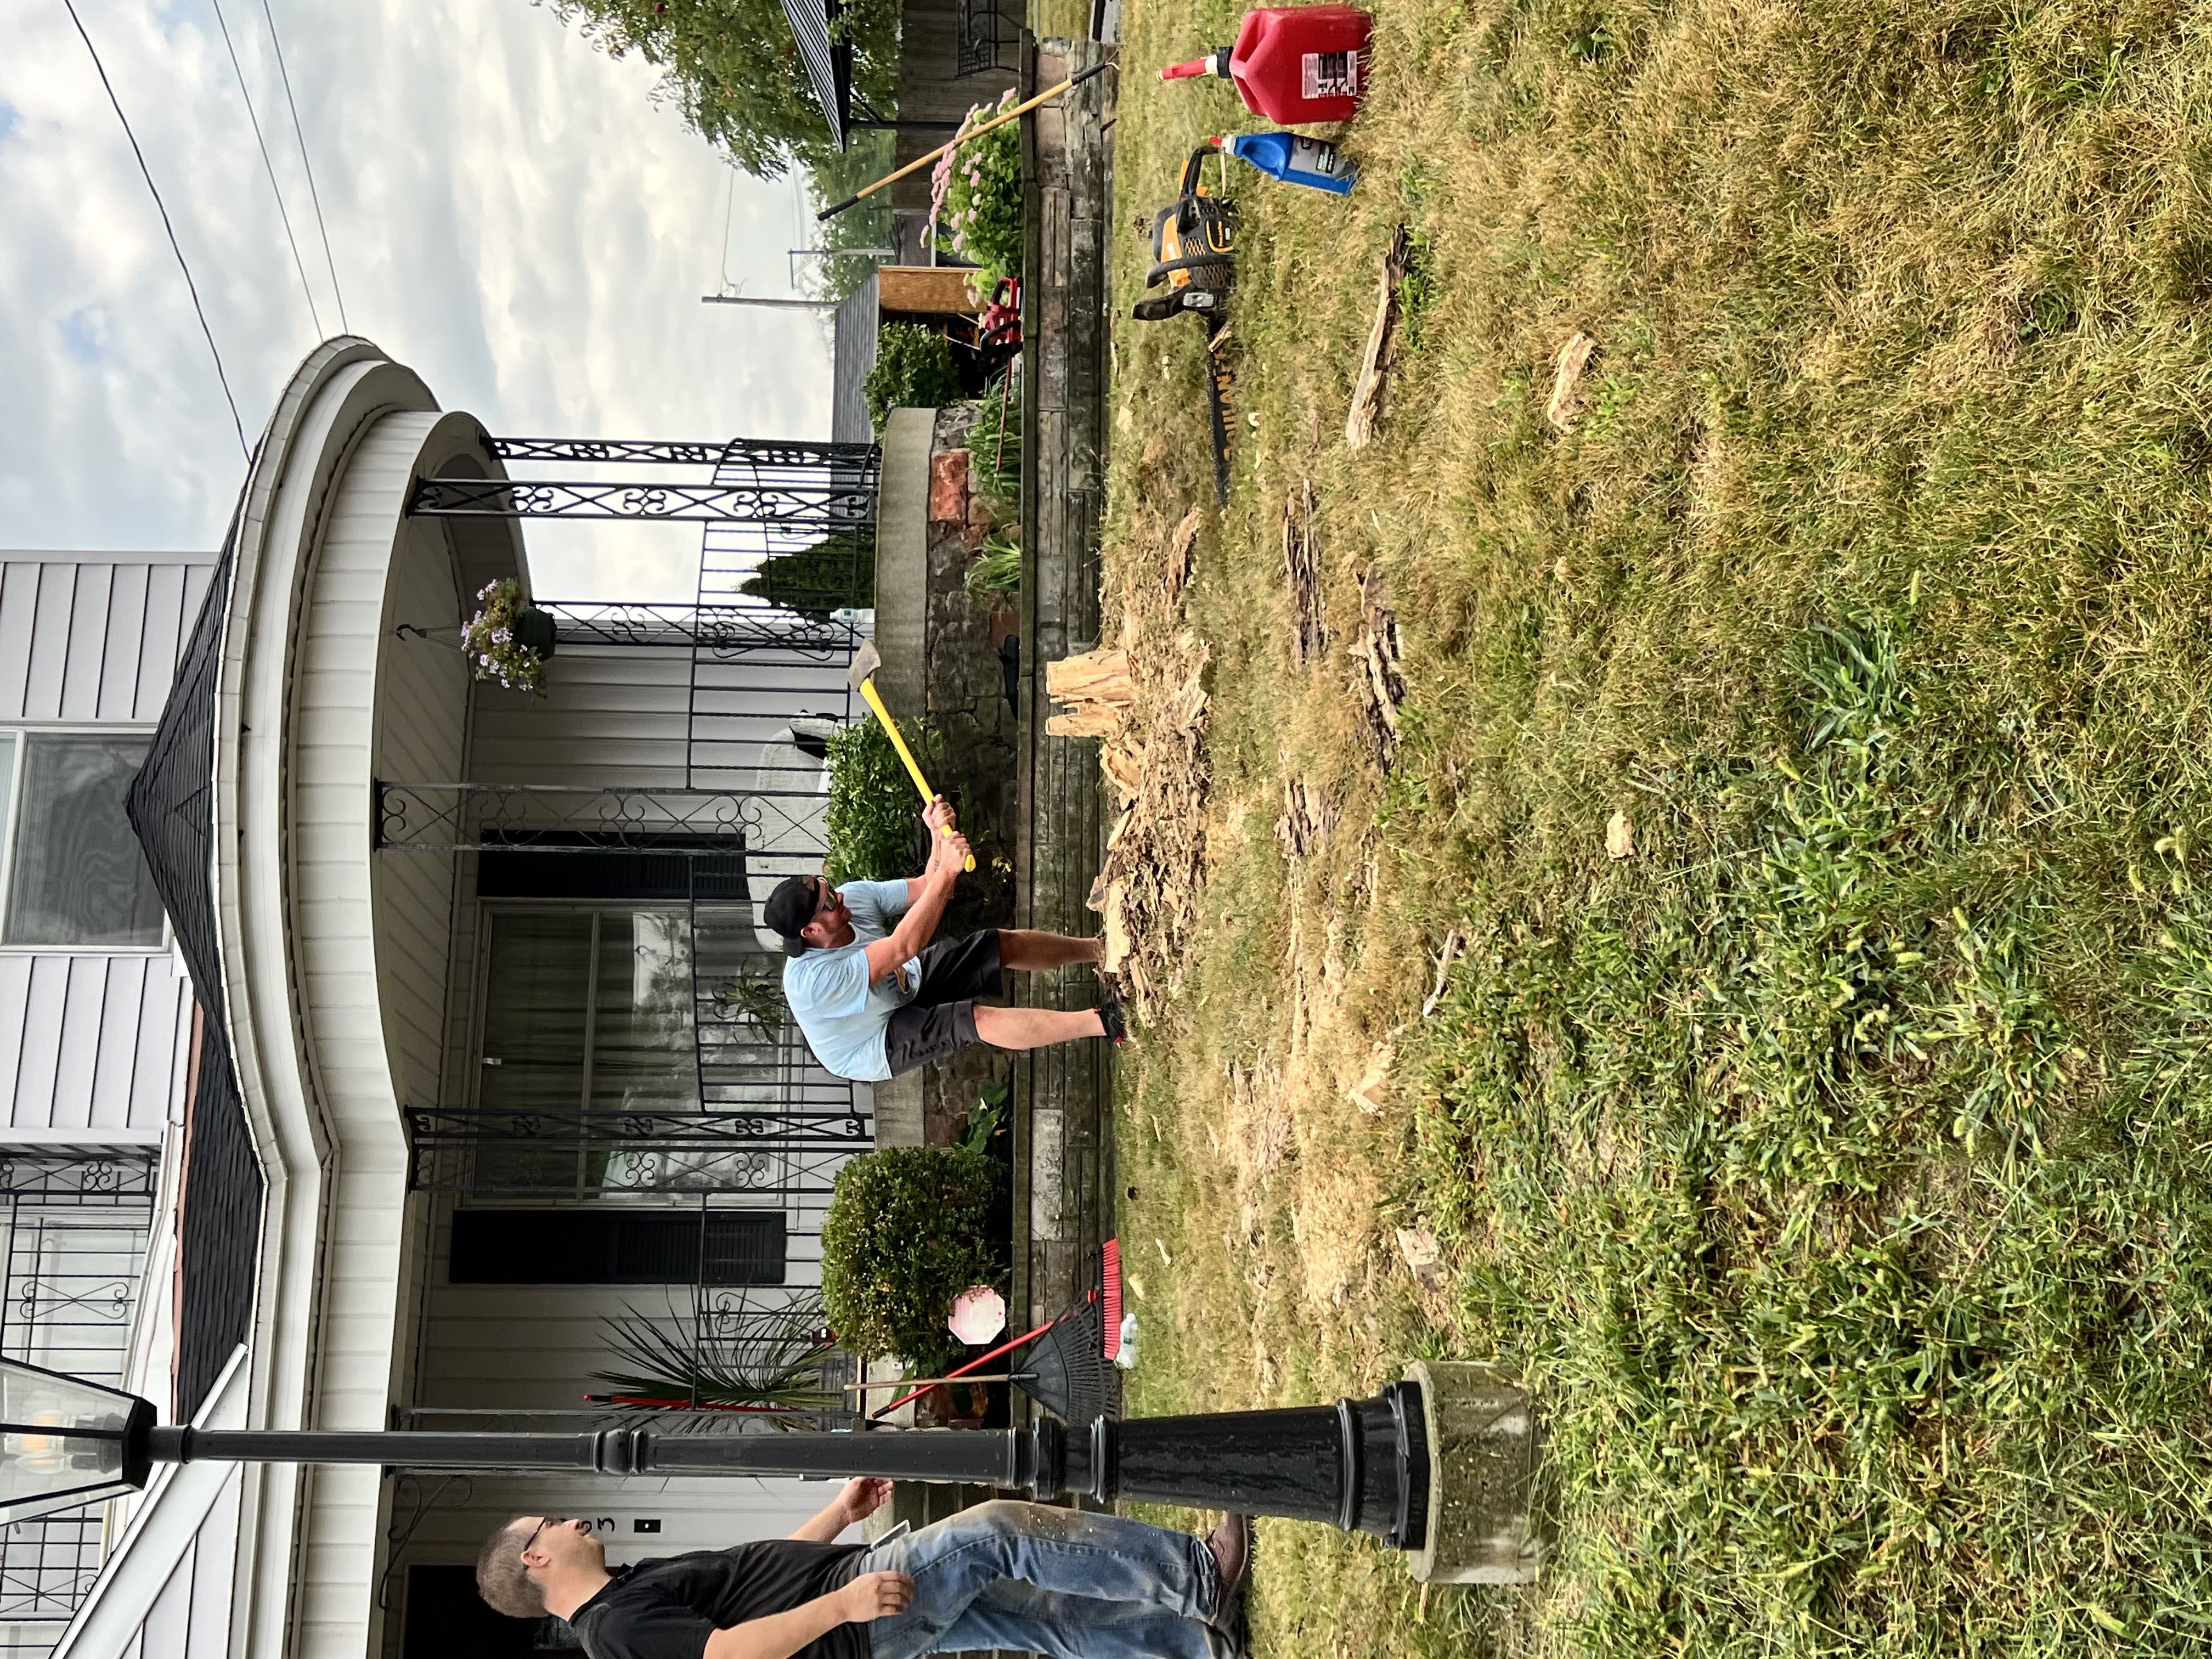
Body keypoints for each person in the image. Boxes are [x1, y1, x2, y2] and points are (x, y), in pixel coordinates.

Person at [473, 1479, 1253, 1659]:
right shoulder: (615, 1631)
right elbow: (730, 1656)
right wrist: (842, 1608)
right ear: (536, 1559)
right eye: (552, 1524)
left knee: (1033, 1617)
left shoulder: (626, 1592)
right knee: (996, 1533)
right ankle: (1194, 1577)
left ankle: (1196, 1646)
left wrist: (838, 1518)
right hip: (859, 1615)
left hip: (857, 1606)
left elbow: (754, 1583)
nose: (572, 1520)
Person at [761, 797, 1125, 1084]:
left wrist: (938, 840)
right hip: (872, 1042)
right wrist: (949, 870)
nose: (838, 897)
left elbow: (923, 889)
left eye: (831, 890)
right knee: (967, 1020)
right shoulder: (815, 982)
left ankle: (1100, 949)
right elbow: (903, 946)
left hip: (898, 983)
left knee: (995, 944)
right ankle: (1107, 1023)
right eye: (827, 903)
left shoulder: (851, 896)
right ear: (810, 932)